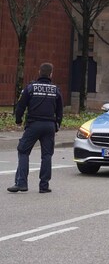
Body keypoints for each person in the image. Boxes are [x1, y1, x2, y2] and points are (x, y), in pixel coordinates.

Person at [8, 62, 63, 193]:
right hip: (49, 125)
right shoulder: (56, 90)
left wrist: (18, 120)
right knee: (47, 155)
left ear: (39, 72)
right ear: (51, 74)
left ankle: (21, 183)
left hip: (33, 125)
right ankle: (44, 186)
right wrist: (57, 125)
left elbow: (21, 105)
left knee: (23, 151)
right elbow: (60, 111)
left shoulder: (30, 88)